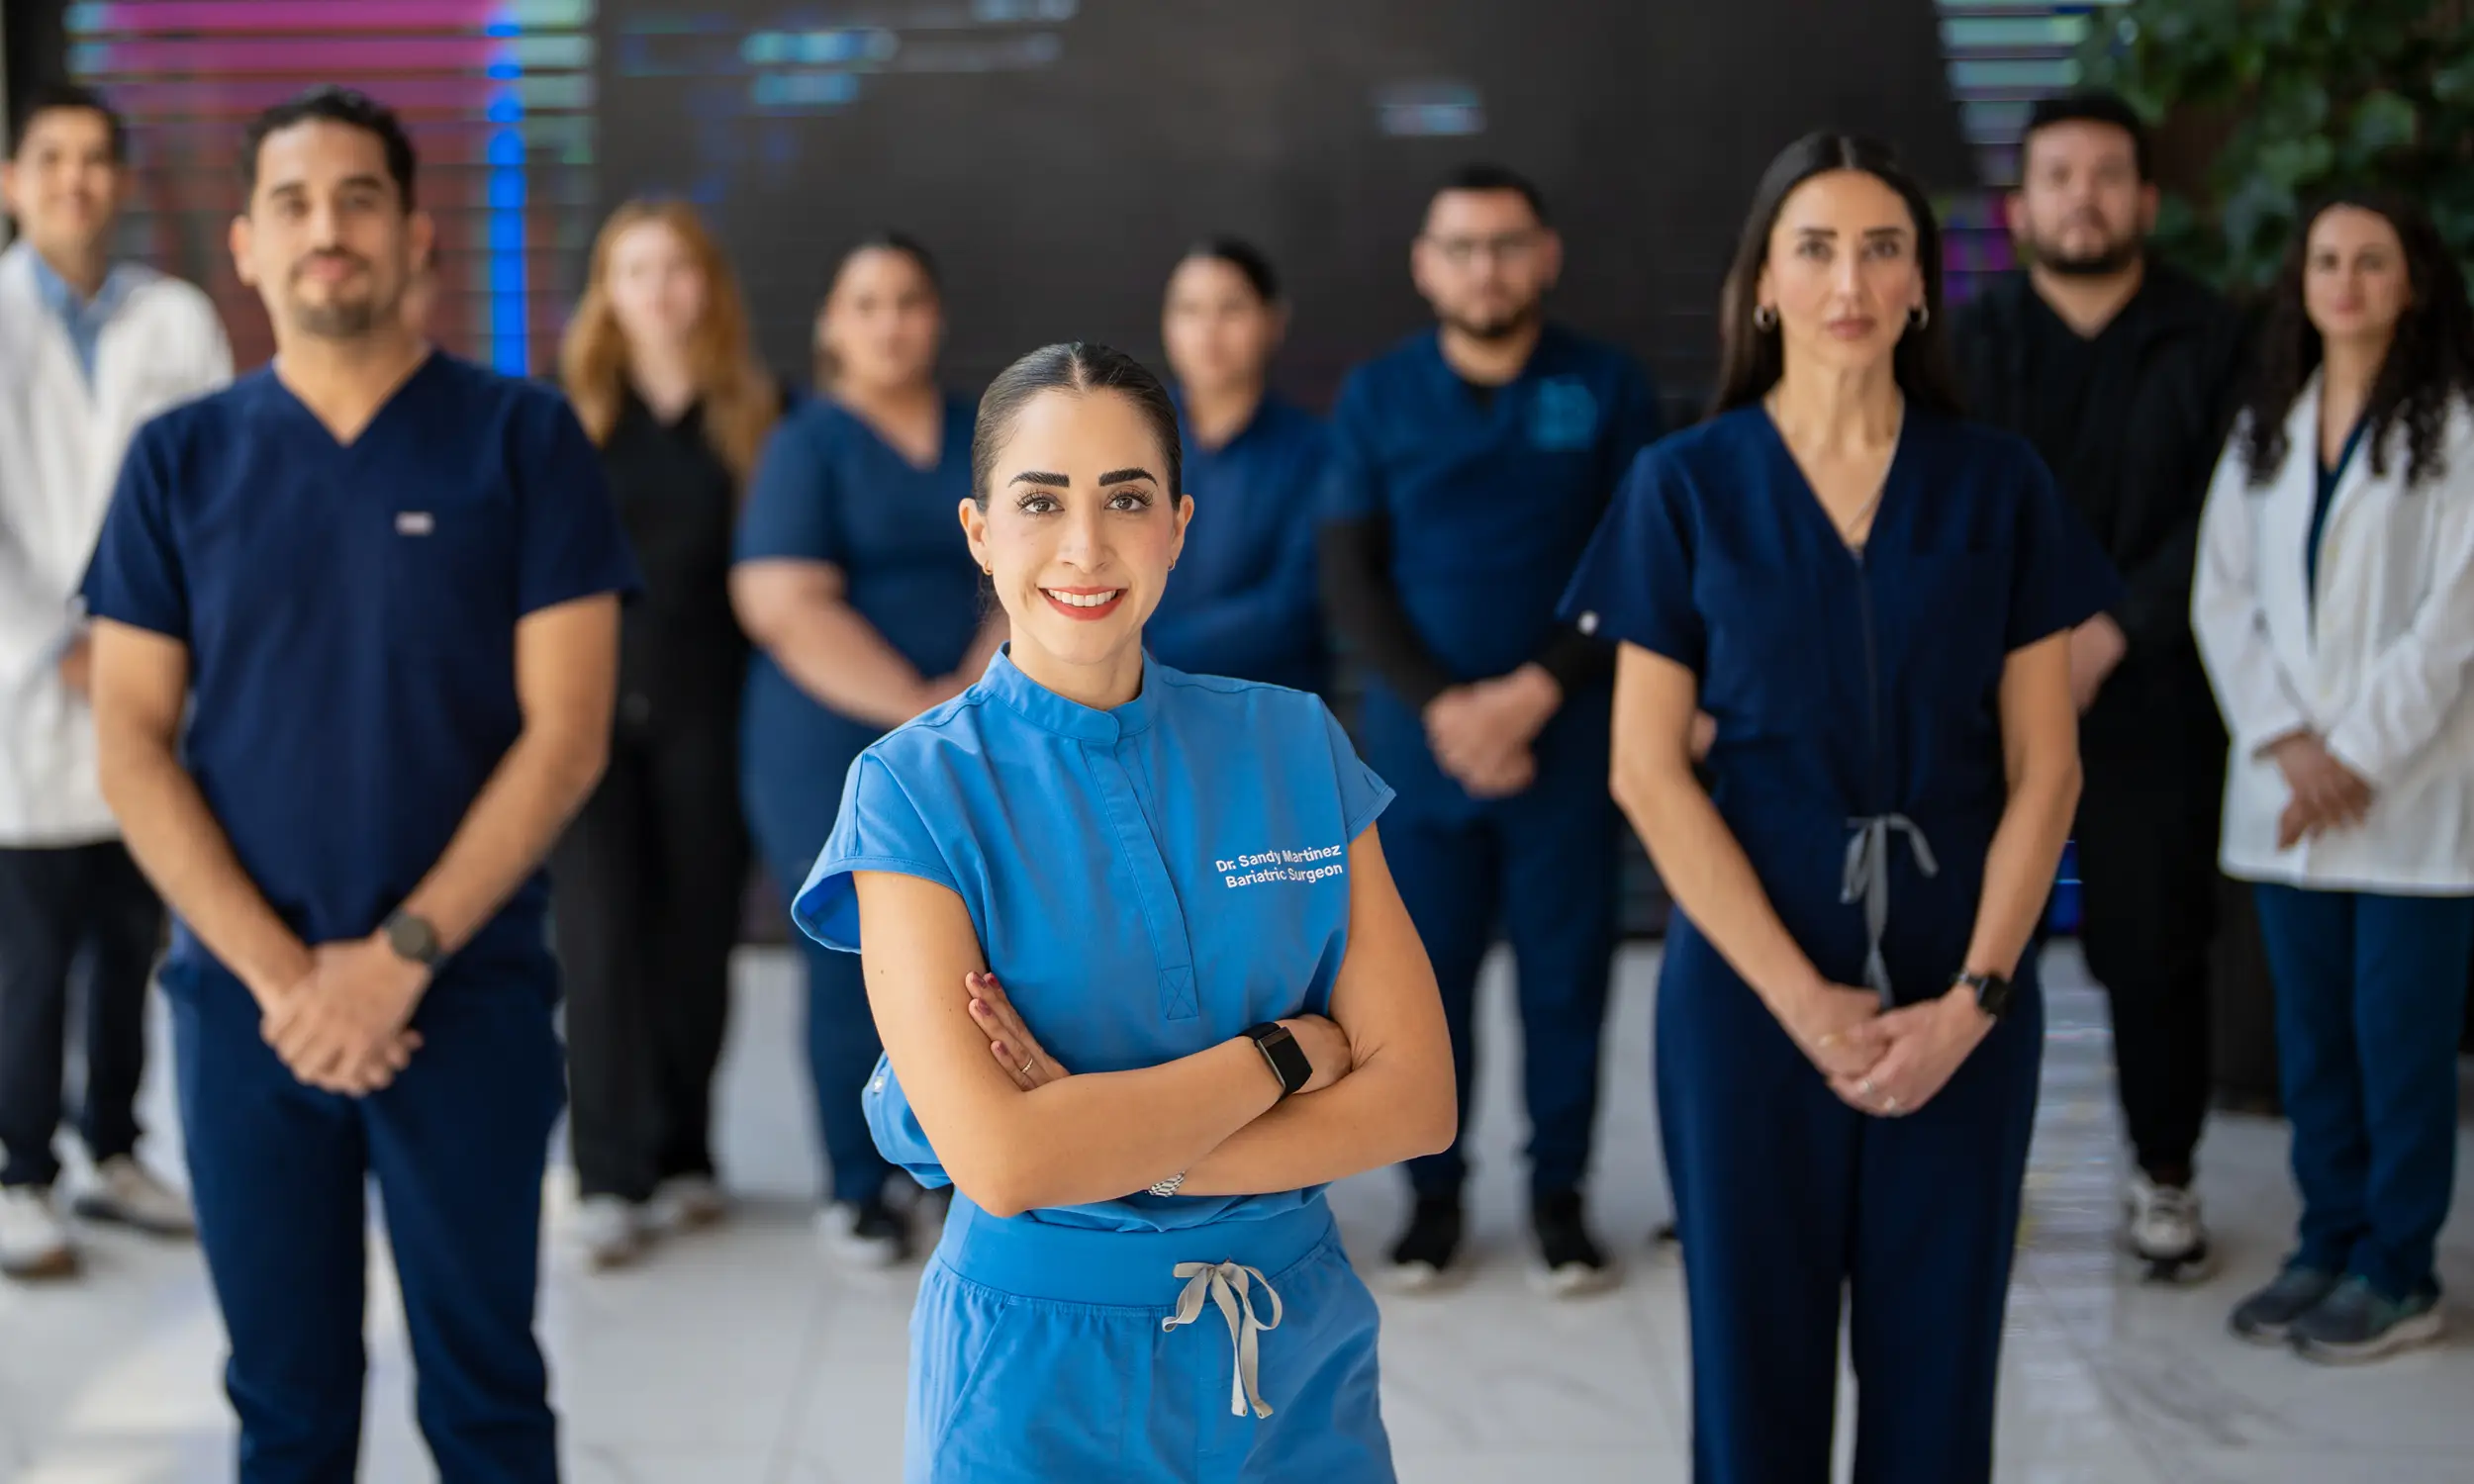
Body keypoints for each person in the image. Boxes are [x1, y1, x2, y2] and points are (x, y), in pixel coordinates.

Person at [79, 87, 635, 1482]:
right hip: (242, 1013)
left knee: (489, 1398)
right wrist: (287, 981)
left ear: (417, 236)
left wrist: (397, 962)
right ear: (246, 247)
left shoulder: (526, 442)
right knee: (284, 1406)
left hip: (471, 998)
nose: (326, 228)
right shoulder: (179, 461)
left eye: (359, 199)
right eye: (293, 203)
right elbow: (132, 740)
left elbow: (566, 733)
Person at [792, 340, 1453, 1483]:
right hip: (1038, 1376)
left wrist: (1116, 1142)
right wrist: (1281, 1055)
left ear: (1179, 526)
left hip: (1293, 1360)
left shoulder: (1293, 742)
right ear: (979, 532)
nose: (1085, 547)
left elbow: (1420, 1104)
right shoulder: (913, 791)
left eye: (1126, 498)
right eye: (1039, 502)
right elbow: (1000, 1162)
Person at [1564, 133, 2114, 1482]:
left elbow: (2049, 769)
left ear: (1924, 285)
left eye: (1883, 247)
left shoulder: (2000, 485)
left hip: (1961, 995)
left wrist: (1975, 1004)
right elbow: (1646, 768)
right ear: (1762, 283)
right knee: (1754, 1383)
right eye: (1813, 247)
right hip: (1749, 1003)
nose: (1848, 279)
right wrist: (1805, 1002)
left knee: (1940, 1384)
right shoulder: (1683, 485)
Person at [1319, 162, 1661, 1293]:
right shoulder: (1375, 397)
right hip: (1421, 750)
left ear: (1546, 255)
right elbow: (1351, 573)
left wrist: (1532, 693)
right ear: (1425, 266)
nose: (1485, 268)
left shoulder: (1609, 389)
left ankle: (1559, 1200)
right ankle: (1433, 1200)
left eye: (1507, 244)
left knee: (1567, 980)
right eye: (1460, 247)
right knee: (1423, 983)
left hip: (1564, 738)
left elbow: (1636, 562)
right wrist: (1449, 704)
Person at [1950, 89, 2251, 1282]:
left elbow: (2234, 514)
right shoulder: (1969, 343)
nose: (2084, 195)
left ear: (2147, 200)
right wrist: (2033, 645)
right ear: (2019, 208)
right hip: (1991, 698)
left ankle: (2163, 1176)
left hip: (2158, 690)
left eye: (2107, 173)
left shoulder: (2214, 336)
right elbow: (1956, 513)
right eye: (2059, 175)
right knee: (1982, 941)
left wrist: (2115, 626)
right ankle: (1972, 1183)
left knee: (2152, 945)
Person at [2192, 189, 2474, 1364]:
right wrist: (2289, 745)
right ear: (2297, 283)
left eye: (2372, 260)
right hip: (2287, 797)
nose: (2345, 281)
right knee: (2314, 1043)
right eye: (2324, 260)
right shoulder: (2266, 425)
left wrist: (2351, 755)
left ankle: (2399, 1273)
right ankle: (2327, 1242)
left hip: (2408, 798)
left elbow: (2453, 618)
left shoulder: (2455, 429)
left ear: (2413, 282)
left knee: (2396, 1047)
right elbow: (2224, 597)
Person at [731, 233, 1002, 1264]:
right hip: (829, 737)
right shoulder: (805, 443)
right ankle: (856, 1183)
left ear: (934, 317)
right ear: (832, 327)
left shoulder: (986, 429)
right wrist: (915, 704)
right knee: (852, 952)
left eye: (908, 301)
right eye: (866, 303)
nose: (890, 321)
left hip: (971, 729)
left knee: (972, 958)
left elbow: (1024, 570)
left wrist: (963, 692)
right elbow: (782, 602)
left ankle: (949, 1164)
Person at [0, 79, 229, 1280]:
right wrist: (71, 643)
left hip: (151, 679)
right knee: (31, 955)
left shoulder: (177, 319)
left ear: (123, 182)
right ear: (12, 182)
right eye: (51, 159)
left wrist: (156, 644)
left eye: (97, 160)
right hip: (28, 696)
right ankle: (19, 1169)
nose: (76, 180)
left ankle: (114, 1148)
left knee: (130, 931)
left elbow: (211, 497)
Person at [551, 199, 783, 1268]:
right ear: (608, 292)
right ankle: (606, 1172)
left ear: (707, 286)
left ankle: (684, 1152)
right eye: (634, 270)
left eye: (676, 268)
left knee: (695, 941)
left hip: (712, 708)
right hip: (589, 717)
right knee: (597, 947)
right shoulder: (570, 418)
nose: (657, 290)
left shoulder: (757, 413)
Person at [1146, 238, 1330, 693]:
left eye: (1231, 309)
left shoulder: (1315, 449)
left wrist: (1135, 650)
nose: (1208, 332)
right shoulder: (1124, 436)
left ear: (1274, 320)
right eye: (1189, 310)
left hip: (1265, 705)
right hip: (1129, 706)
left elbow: (1292, 605)